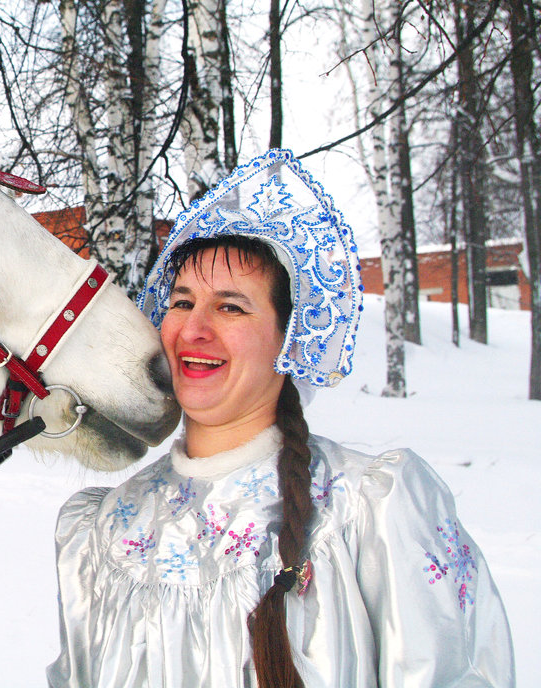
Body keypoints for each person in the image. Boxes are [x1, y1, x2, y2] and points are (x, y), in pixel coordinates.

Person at [47, 149, 514, 688]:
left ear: (289, 339)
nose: (193, 329)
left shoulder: (368, 512)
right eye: (181, 302)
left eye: (231, 307)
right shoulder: (104, 531)